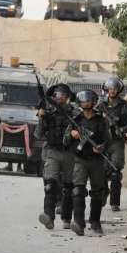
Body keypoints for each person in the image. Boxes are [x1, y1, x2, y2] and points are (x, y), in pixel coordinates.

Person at [64, 89, 111, 236]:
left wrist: (101, 147)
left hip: (96, 161)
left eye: (89, 101)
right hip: (80, 160)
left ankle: (95, 222)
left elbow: (108, 140)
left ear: (94, 102)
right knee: (78, 190)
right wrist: (72, 134)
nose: (86, 103)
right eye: (84, 101)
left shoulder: (101, 121)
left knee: (97, 193)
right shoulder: (75, 120)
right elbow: (65, 141)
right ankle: (79, 223)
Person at [36, 84, 76, 230]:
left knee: (68, 188)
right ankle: (48, 217)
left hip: (69, 153)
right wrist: (42, 118)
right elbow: (38, 134)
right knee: (50, 185)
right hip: (52, 152)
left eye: (63, 95)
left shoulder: (74, 113)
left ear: (68, 97)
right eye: (58, 95)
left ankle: (66, 217)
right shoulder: (49, 112)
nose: (60, 98)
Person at [97, 77, 127, 212]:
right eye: (110, 89)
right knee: (101, 172)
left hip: (117, 142)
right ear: (106, 89)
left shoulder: (124, 106)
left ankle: (115, 203)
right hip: (103, 141)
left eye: (114, 89)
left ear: (118, 90)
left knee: (115, 173)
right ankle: (103, 194)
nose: (112, 91)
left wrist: (120, 130)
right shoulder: (101, 105)